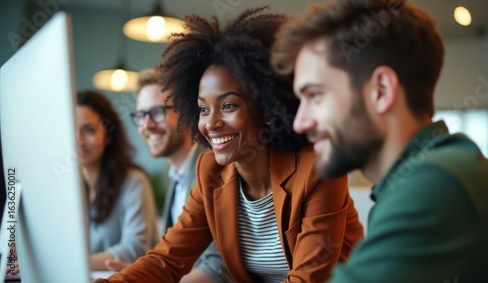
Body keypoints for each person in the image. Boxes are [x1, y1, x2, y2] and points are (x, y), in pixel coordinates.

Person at [95, 6, 363, 283]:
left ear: (268, 108)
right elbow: (167, 259)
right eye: (202, 109)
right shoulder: (210, 171)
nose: (211, 123)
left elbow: (308, 279)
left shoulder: (318, 168)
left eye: (228, 105)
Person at [271, 0, 488, 282]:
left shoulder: (438, 181)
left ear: (381, 90)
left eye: (315, 95)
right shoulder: (410, 182)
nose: (300, 123)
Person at [104, 69, 234, 283]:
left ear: (185, 112)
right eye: (141, 115)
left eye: (156, 112)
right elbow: (174, 260)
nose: (147, 125)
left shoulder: (213, 170)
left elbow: (219, 266)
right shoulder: (175, 178)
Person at [76, 90, 159, 270]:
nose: (79, 141)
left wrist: (73, 264)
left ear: (108, 135)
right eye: (71, 130)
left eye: (89, 130)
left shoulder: (134, 181)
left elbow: (135, 249)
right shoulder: (69, 189)